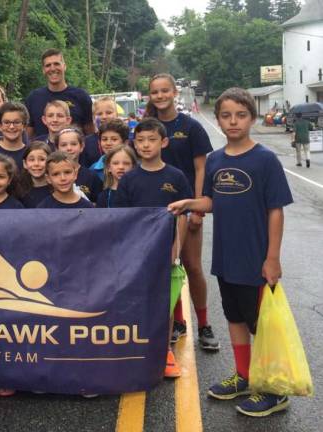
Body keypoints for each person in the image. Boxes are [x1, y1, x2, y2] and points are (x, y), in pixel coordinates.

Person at [168, 87, 293, 417]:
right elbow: (211, 201)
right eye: (226, 115)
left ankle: (273, 389)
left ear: (252, 118)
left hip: (256, 259)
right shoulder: (215, 160)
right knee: (235, 318)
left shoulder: (265, 159)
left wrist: (272, 257)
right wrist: (190, 203)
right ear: (218, 120)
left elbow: (275, 210)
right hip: (226, 257)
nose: (233, 121)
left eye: (240, 115)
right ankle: (245, 376)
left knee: (261, 325)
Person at [115, 118, 192, 378]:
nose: (146, 145)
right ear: (133, 144)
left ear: (164, 142)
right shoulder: (129, 180)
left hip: (166, 251)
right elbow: (124, 220)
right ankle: (137, 349)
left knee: (165, 303)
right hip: (137, 253)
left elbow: (183, 215)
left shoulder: (176, 176)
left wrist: (176, 248)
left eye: (152, 140)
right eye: (141, 140)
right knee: (137, 302)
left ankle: (164, 351)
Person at [146, 73, 218, 351]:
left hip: (186, 209)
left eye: (165, 90)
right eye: (155, 92)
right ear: (150, 95)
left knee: (192, 266)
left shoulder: (190, 127)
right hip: (156, 212)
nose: (161, 96)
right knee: (165, 268)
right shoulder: (145, 127)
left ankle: (204, 324)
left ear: (175, 92)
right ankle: (177, 322)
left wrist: (198, 207)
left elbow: (201, 168)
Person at [25, 48, 94, 138]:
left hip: (72, 151)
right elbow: (28, 137)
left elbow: (90, 134)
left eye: (56, 64)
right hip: (44, 151)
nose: (52, 68)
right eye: (48, 65)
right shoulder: (33, 98)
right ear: (43, 70)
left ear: (64, 66)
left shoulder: (81, 96)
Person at [56, 128, 103, 202]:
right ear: (57, 148)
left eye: (73, 144)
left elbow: (98, 204)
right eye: (64, 145)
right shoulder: (52, 175)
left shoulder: (91, 176)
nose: (69, 148)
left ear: (82, 147)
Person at [0, 102, 29, 170]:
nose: (11, 127)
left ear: (24, 126)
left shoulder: (31, 154)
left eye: (17, 122)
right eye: (6, 122)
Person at [19, 141, 53, 208]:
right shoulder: (19, 190)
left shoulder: (57, 189)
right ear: (25, 164)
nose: (36, 164)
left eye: (42, 159)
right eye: (31, 160)